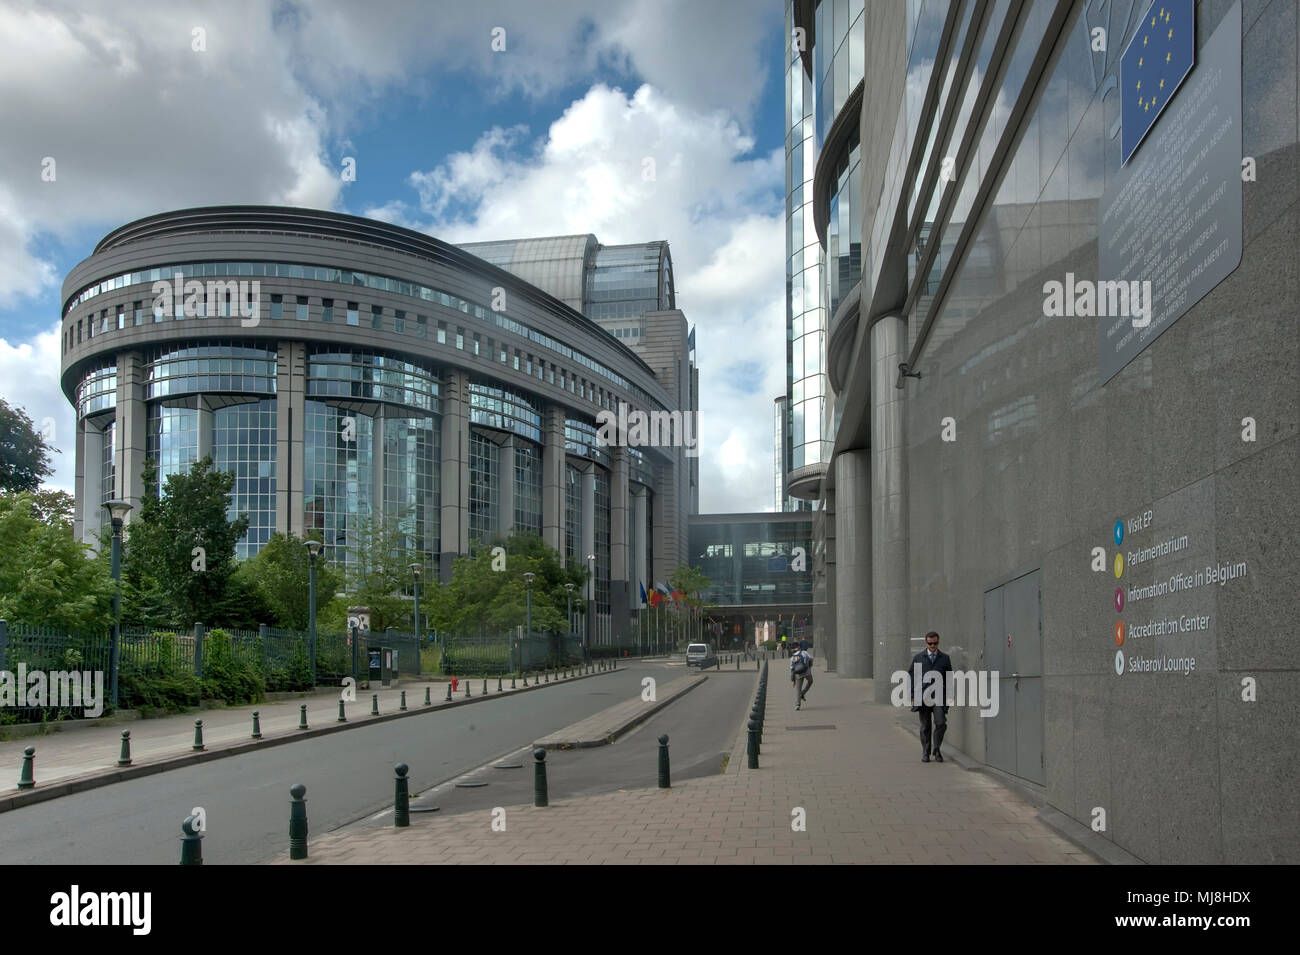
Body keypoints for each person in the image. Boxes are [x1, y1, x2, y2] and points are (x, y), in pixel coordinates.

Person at [909, 631, 952, 762]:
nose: (933, 646)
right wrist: (912, 695)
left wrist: (950, 696)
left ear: (938, 642)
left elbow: (949, 679)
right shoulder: (918, 658)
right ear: (926, 643)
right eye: (930, 643)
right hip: (923, 697)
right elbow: (912, 677)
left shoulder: (945, 658)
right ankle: (925, 752)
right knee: (925, 726)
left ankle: (937, 749)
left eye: (935, 643)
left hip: (939, 697)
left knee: (941, 723)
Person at [790, 640, 813, 709]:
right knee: (810, 681)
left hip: (798, 674)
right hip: (806, 671)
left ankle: (797, 704)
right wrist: (810, 666)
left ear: (793, 649)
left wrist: (793, 680)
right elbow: (811, 659)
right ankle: (803, 692)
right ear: (798, 647)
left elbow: (792, 669)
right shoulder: (804, 653)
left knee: (798, 689)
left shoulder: (792, 658)